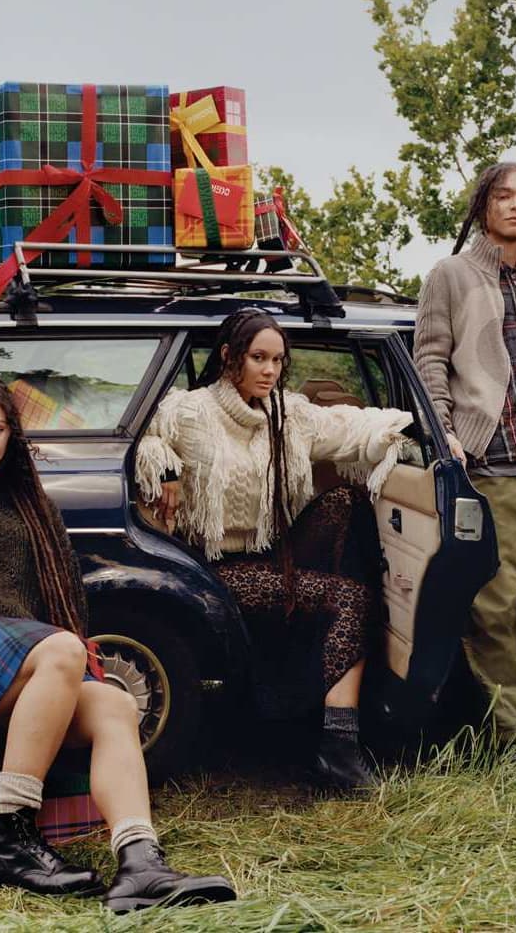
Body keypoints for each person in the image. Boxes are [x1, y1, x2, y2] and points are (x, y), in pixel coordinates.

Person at [0, 375, 235, 913]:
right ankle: (11, 838)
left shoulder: (33, 509)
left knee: (114, 702)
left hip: (8, 665)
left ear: (12, 436)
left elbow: (64, 606)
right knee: (62, 648)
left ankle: (139, 861)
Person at [135, 309, 412, 789]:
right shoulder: (189, 411)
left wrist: (425, 432)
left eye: (278, 360)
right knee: (350, 599)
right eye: (258, 358)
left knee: (347, 502)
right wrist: (166, 469)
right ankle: (337, 748)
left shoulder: (290, 413)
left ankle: (312, 688)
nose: (269, 370)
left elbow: (350, 426)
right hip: (212, 568)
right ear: (229, 357)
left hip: (272, 551)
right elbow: (139, 438)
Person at [414, 161, 516, 743]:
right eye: (504, 195)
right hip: (493, 457)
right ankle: (510, 740)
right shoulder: (452, 274)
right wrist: (445, 430)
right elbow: (430, 356)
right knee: (496, 601)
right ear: (484, 203)